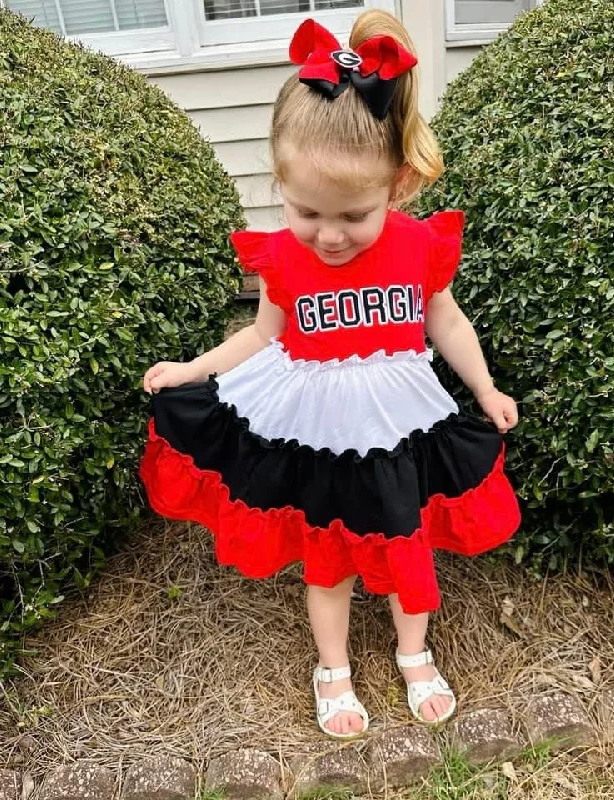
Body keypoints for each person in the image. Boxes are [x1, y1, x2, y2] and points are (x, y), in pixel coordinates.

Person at [140, 9, 520, 741]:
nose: (330, 234)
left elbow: (446, 322)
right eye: (305, 209)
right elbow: (260, 334)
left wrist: (484, 388)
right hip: (314, 430)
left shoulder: (415, 248)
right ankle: (332, 667)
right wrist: (193, 367)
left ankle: (414, 650)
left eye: (354, 213)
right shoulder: (284, 258)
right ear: (279, 183)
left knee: (403, 534)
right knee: (328, 552)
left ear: (399, 186)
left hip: (398, 422)